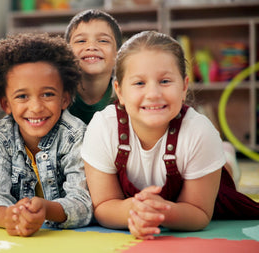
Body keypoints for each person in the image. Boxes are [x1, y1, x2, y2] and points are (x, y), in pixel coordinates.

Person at [82, 31, 259, 240]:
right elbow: (104, 205)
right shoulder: (103, 128)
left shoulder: (200, 132)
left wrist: (162, 212)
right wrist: (135, 213)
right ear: (119, 92)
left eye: (165, 81)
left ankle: (226, 157)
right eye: (139, 83)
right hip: (139, 201)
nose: (154, 94)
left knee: (225, 172)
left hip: (201, 181)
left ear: (184, 87)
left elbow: (200, 213)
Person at [0, 33, 92, 237]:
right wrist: (9, 217)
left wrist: (46, 210)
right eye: (22, 96)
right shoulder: (2, 137)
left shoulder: (75, 135)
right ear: (6, 104)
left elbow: (82, 203)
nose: (36, 107)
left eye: (48, 94)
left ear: (64, 99)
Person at [65, 9, 122, 124]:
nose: (91, 46)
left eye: (103, 41)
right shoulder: (57, 97)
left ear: (118, 54)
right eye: (81, 41)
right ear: (67, 52)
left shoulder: (126, 98)